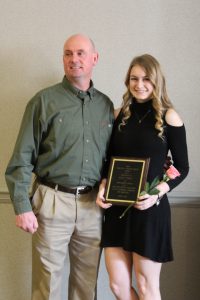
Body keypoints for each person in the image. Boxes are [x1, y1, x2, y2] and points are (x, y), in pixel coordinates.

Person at [5, 34, 114, 300]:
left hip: (92, 207)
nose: (74, 59)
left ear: (94, 59)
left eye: (80, 53)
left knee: (87, 285)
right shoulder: (42, 102)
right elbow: (21, 158)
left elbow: (112, 158)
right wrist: (22, 206)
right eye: (68, 54)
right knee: (47, 283)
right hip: (51, 201)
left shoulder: (106, 106)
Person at [96, 54, 189, 300]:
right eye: (134, 78)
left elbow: (182, 167)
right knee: (118, 286)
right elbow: (107, 162)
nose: (139, 84)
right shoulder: (118, 116)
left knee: (147, 287)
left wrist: (155, 194)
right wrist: (104, 185)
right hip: (117, 209)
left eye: (146, 79)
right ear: (127, 81)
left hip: (150, 211)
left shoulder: (169, 117)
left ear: (157, 81)